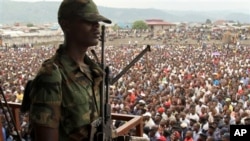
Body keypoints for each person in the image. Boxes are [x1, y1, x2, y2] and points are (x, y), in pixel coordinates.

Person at [28, 0, 111, 141]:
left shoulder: (94, 70)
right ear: (65, 24)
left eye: (97, 21)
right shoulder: (52, 75)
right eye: (88, 21)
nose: (97, 26)